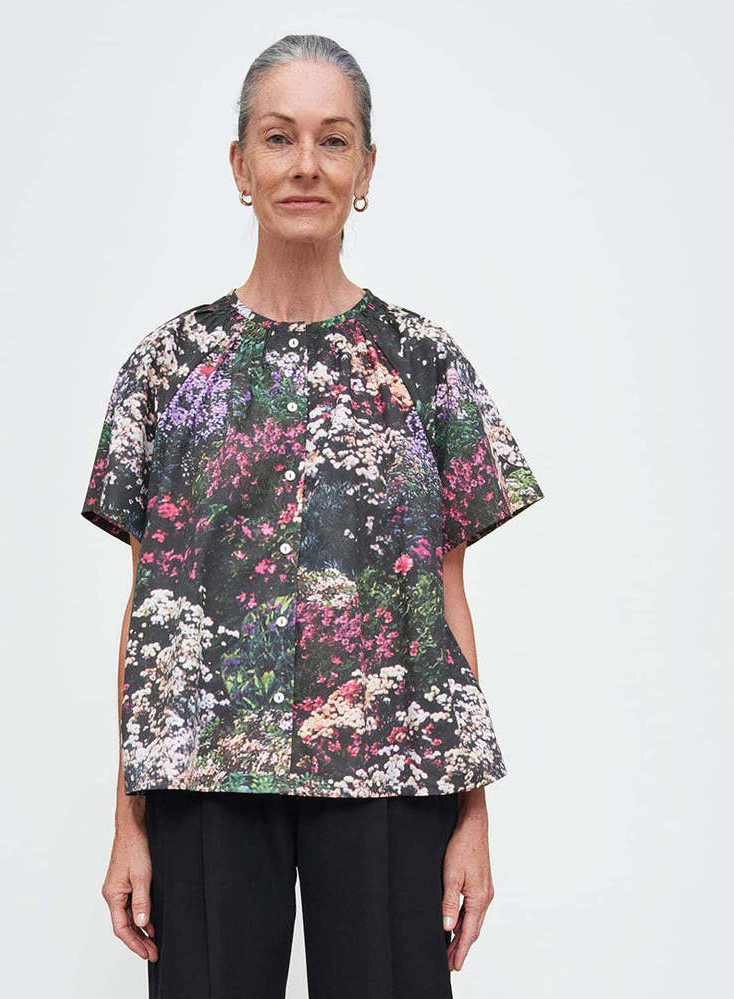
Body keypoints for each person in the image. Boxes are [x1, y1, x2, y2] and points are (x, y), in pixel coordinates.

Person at [80, 33, 545, 999]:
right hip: (203, 774)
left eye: (333, 140)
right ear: (239, 165)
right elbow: (145, 610)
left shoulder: (423, 364)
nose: (305, 164)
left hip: (391, 775)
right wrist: (126, 818)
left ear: (365, 170)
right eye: (278, 137)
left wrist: (473, 815)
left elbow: (449, 603)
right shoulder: (169, 368)